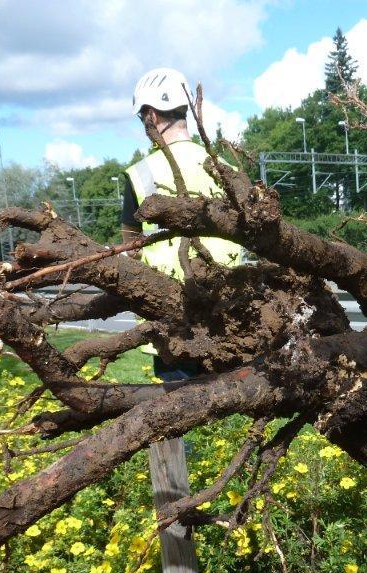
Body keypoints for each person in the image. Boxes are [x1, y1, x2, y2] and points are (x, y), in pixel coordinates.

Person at [121, 66, 243, 379]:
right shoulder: (225, 167)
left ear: (150, 115)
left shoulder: (141, 174)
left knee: (178, 412)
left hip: (169, 316)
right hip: (227, 310)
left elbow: (130, 250)